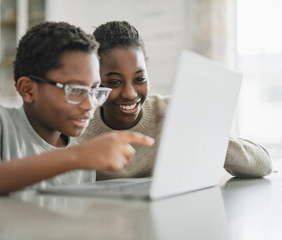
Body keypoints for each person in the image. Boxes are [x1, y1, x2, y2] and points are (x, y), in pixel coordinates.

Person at [0, 21, 155, 199]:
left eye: (96, 91)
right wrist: (75, 157)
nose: (89, 105)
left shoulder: (83, 165)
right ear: (28, 89)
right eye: (75, 90)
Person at [77, 21, 273, 180]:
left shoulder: (174, 112)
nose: (129, 93)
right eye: (114, 82)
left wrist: (210, 140)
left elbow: (264, 164)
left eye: (140, 79)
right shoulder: (79, 126)